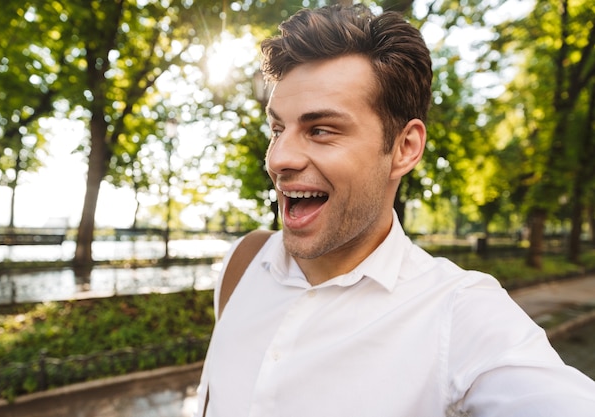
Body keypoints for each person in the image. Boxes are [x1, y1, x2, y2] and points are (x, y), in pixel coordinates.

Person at [195, 4, 595, 416]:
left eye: (321, 130)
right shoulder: (243, 263)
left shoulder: (461, 314)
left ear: (404, 148)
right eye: (278, 129)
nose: (279, 158)